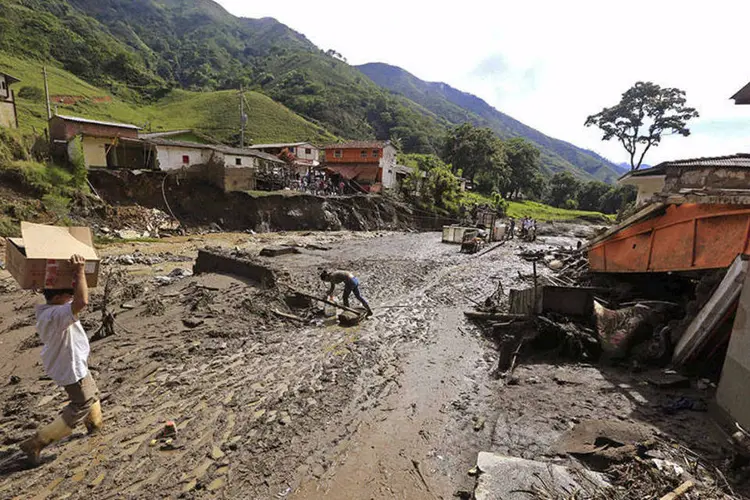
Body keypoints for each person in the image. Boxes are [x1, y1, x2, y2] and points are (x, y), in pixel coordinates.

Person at [19, 254, 102, 466]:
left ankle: (95, 424)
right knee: (81, 402)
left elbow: (76, 299)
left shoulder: (51, 309)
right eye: (68, 295)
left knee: (91, 392)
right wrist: (80, 272)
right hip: (70, 367)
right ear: (58, 298)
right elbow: (82, 301)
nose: (71, 298)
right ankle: (37, 442)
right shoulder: (56, 315)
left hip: (73, 362)